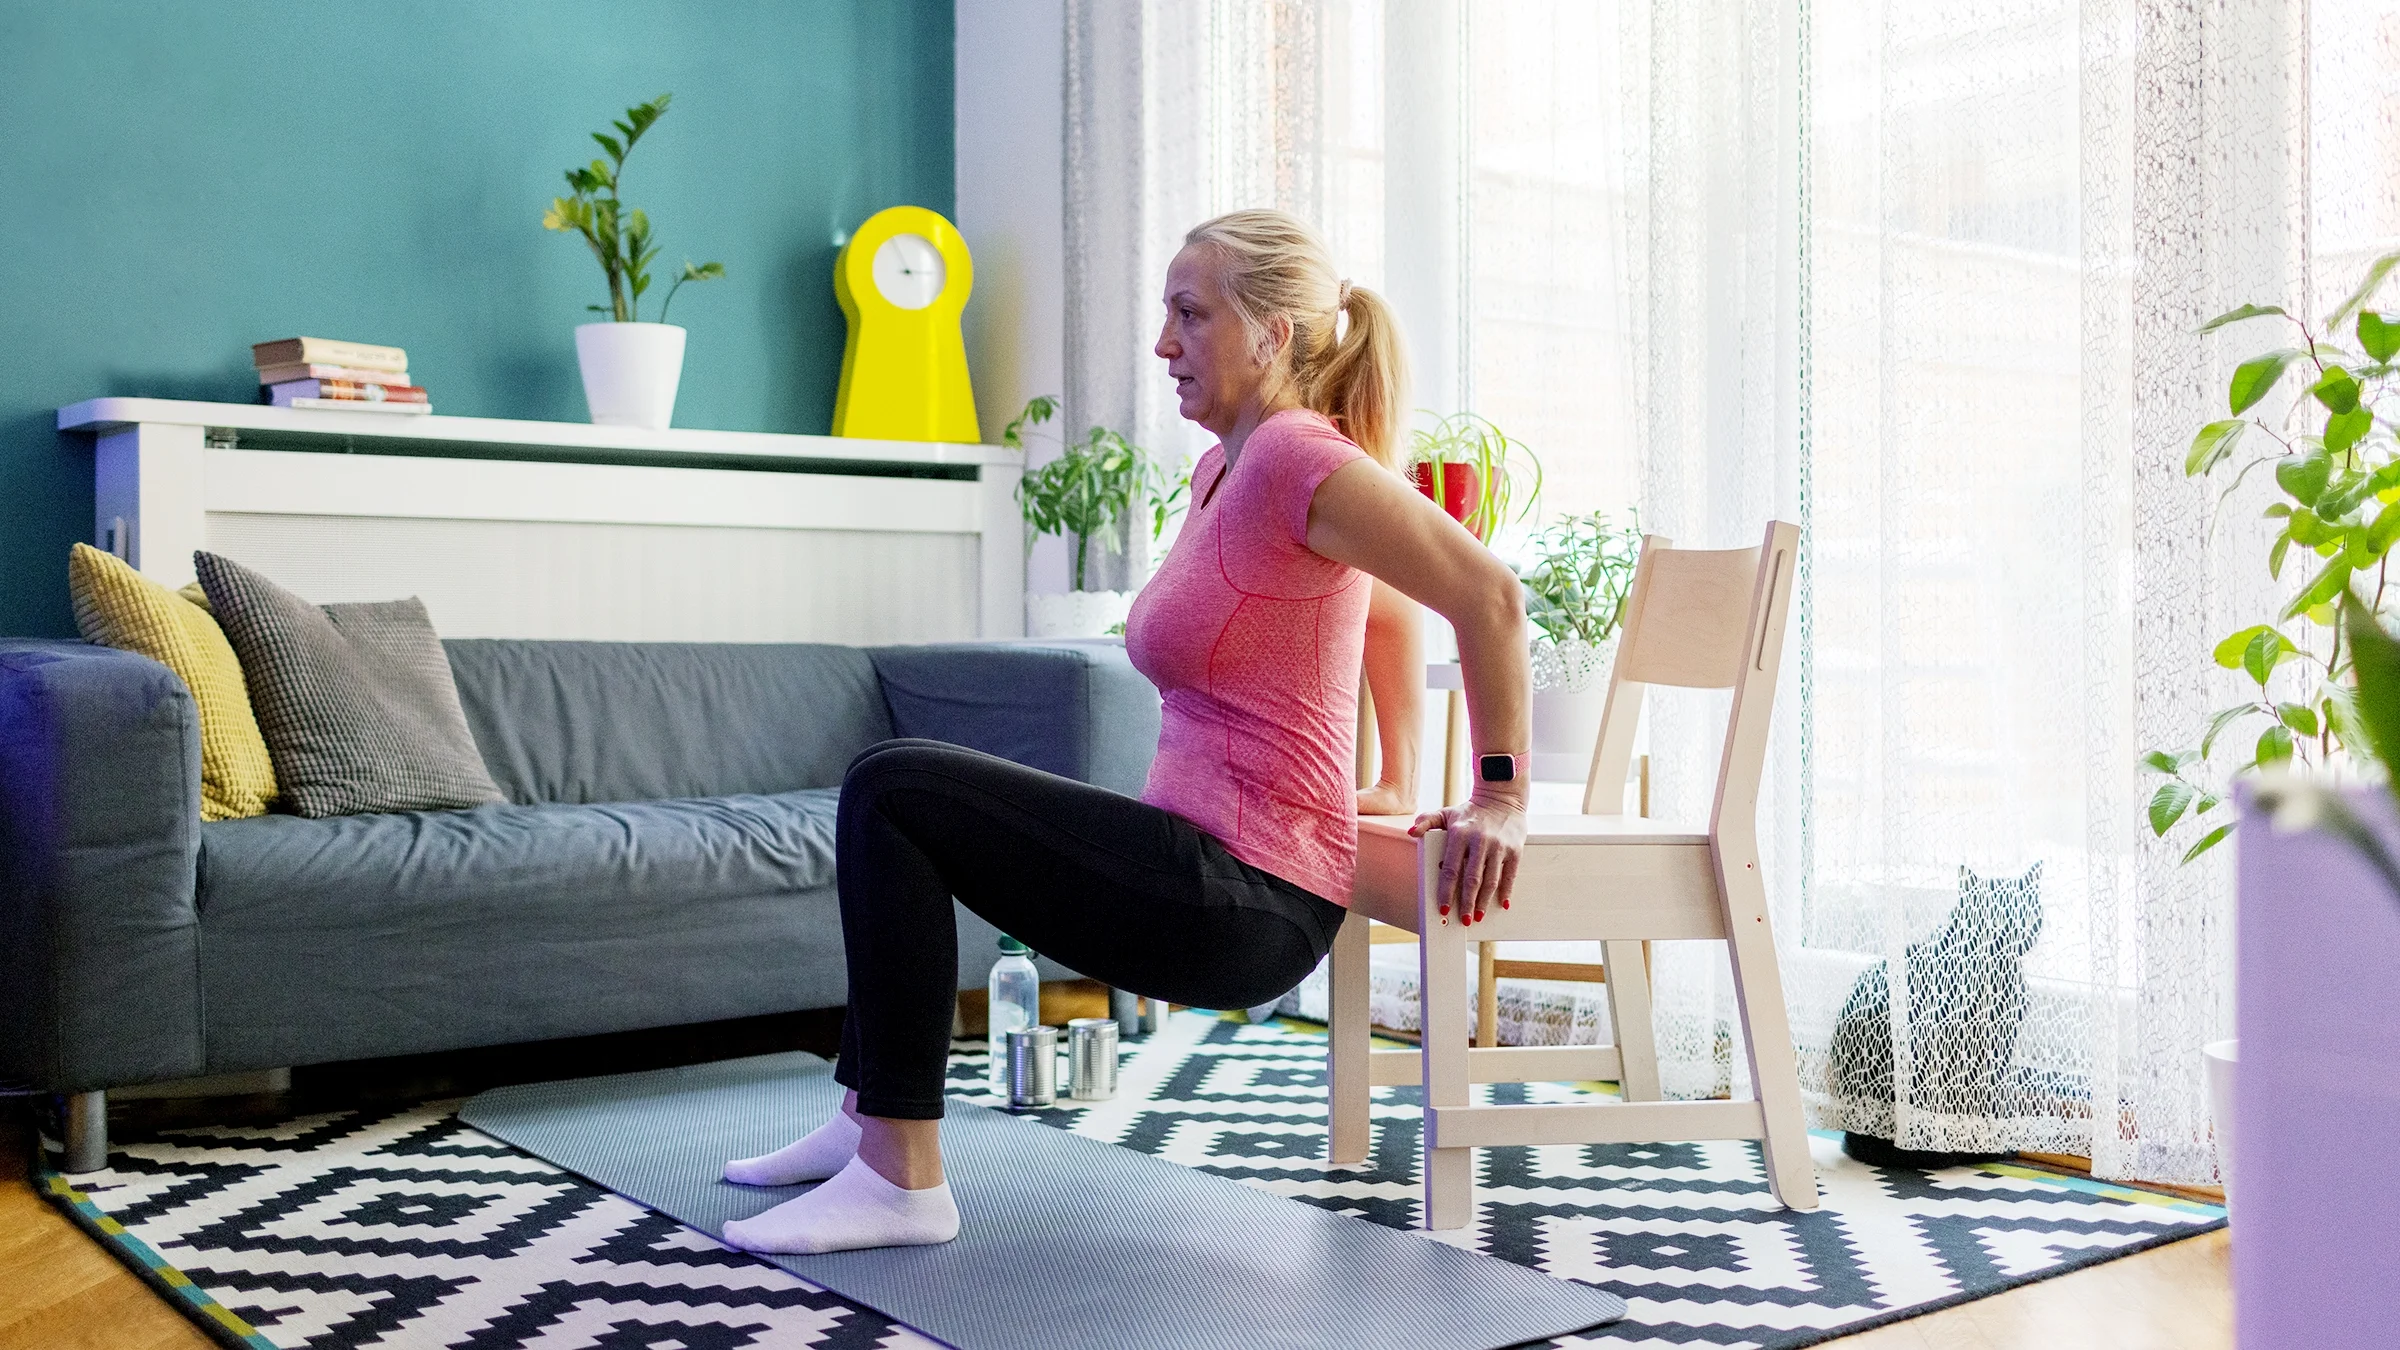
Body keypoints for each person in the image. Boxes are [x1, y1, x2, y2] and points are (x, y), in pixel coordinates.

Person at [717, 209, 1533, 1255]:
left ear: (1273, 336)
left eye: (1190, 316)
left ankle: (901, 1179)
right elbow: (1378, 603)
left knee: (894, 789)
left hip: (1246, 896)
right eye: (1166, 316)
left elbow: (1488, 595)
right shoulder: (1223, 474)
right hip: (1197, 866)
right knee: (896, 799)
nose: (1163, 346)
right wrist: (1393, 772)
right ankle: (868, 1126)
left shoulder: (1295, 456)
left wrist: (1500, 792)